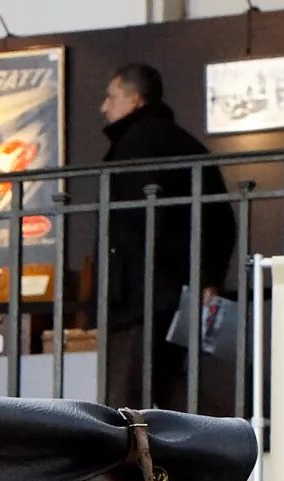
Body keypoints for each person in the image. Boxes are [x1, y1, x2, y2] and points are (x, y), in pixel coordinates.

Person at [97, 63, 234, 415]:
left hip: (139, 297)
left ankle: (123, 470)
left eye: (111, 97)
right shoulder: (187, 144)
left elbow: (144, 223)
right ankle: (213, 457)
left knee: (122, 409)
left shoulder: (134, 145)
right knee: (178, 393)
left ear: (134, 99)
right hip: (178, 298)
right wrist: (205, 277)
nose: (104, 106)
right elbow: (220, 220)